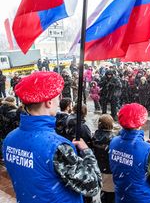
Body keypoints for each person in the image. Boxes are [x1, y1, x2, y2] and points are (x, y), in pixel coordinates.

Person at [2, 72, 102, 203]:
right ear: (49, 102)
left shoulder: (10, 138)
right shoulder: (57, 146)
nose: (59, 101)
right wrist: (87, 152)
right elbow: (93, 186)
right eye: (57, 97)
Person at [109, 103, 150, 203]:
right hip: (144, 199)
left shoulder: (114, 142)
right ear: (141, 122)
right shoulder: (149, 150)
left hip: (121, 197)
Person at [92, 114, 117, 203]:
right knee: (111, 195)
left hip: (99, 167)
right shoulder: (114, 139)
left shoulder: (95, 135)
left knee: (104, 192)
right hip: (110, 169)